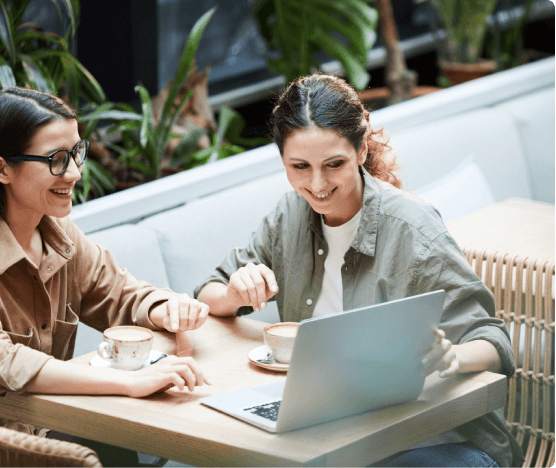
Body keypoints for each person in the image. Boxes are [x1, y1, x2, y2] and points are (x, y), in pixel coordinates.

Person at [195, 74, 523, 467]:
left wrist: (452, 357)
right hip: (331, 434)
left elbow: (494, 341)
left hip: (436, 441)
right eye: (299, 166)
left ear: (362, 148)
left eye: (334, 164)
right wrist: (234, 293)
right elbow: (207, 292)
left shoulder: (412, 228)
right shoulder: (289, 215)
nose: (316, 185)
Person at [0, 87, 210, 467]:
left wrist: (166, 308)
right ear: (1, 169)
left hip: (37, 444)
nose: (76, 172)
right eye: (57, 159)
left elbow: (117, 294)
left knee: (117, 446)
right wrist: (128, 383)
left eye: (76, 153)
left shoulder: (59, 235)